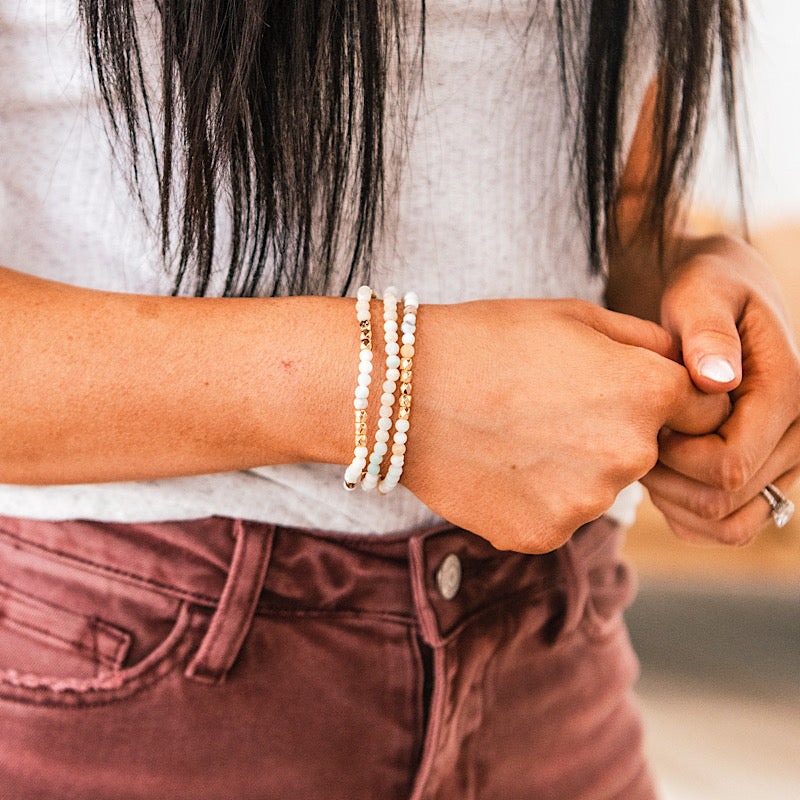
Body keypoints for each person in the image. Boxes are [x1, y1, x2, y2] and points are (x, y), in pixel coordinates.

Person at [0, 0, 797, 797]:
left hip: (552, 654)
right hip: (136, 666)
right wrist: (397, 393)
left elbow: (615, 202)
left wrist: (695, 277)